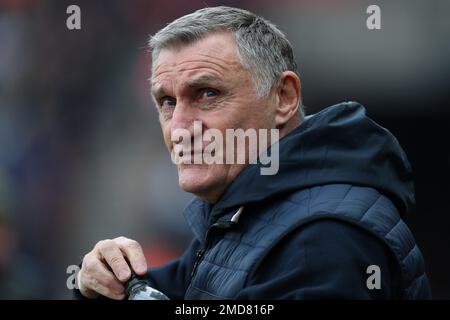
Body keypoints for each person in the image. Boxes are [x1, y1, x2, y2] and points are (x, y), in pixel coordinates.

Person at [75, 6, 431, 300]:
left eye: (207, 94)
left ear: (284, 98)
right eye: (167, 102)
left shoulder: (325, 236)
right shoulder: (246, 215)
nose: (181, 127)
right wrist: (102, 284)